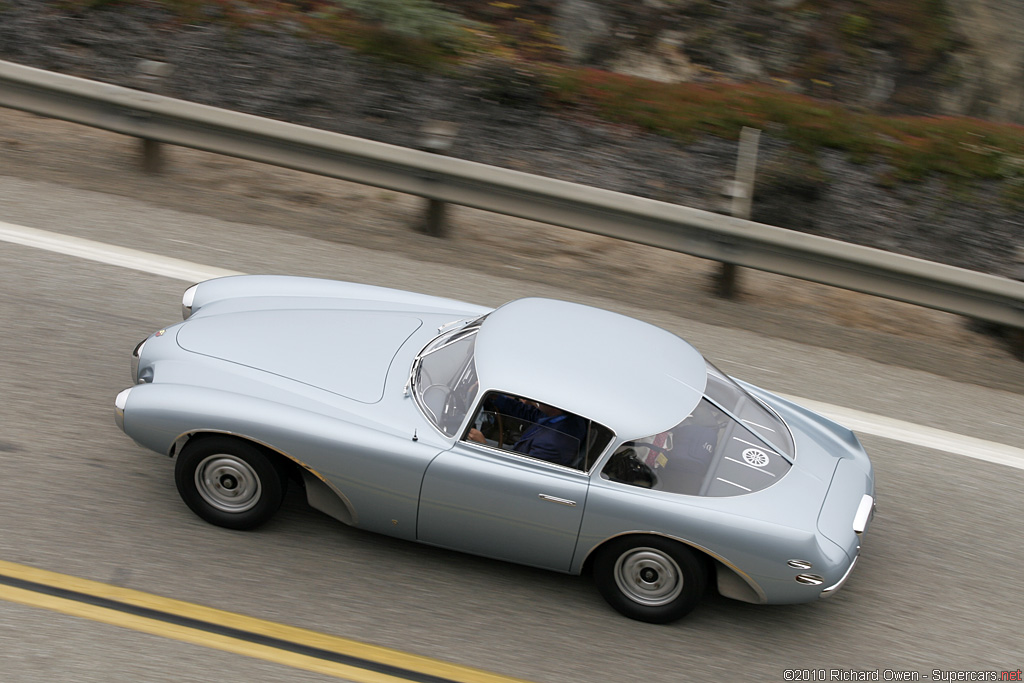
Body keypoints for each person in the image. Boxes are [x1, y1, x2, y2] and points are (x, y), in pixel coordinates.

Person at [466, 393, 586, 467]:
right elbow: (528, 413)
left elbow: (518, 470)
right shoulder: (565, 418)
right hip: (522, 451)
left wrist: (484, 445)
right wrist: (497, 398)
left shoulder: (552, 443)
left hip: (515, 463)